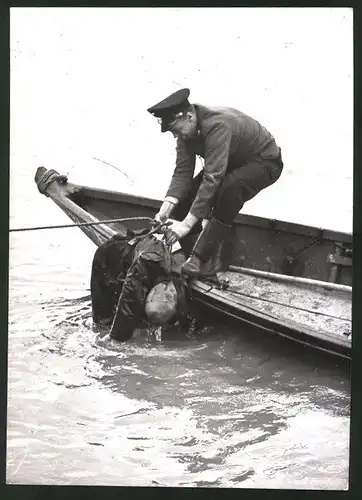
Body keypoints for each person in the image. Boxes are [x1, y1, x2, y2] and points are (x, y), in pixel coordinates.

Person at [147, 88, 284, 277]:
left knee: (229, 190)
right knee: (185, 200)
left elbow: (212, 178)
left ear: (188, 116)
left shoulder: (218, 125)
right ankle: (190, 252)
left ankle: (201, 260)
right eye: (173, 132)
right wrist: (167, 207)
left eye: (177, 131)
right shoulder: (186, 131)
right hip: (230, 161)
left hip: (265, 161)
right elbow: (182, 172)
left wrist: (186, 225)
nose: (177, 136)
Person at [90, 225, 191, 341]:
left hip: (159, 262)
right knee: (103, 319)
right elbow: (129, 296)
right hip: (109, 257)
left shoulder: (182, 286)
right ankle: (102, 327)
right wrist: (116, 337)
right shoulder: (145, 263)